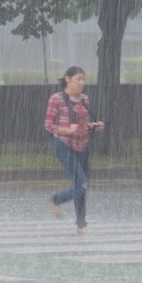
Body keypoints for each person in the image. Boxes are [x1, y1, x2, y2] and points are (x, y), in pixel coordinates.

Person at [44, 66, 104, 234]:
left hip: (83, 146)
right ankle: (56, 199)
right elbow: (49, 125)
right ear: (68, 79)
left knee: (82, 185)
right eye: (78, 79)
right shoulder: (56, 99)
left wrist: (94, 126)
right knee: (82, 183)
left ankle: (81, 222)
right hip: (64, 146)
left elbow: (83, 123)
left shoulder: (84, 99)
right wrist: (66, 130)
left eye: (83, 79)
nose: (82, 83)